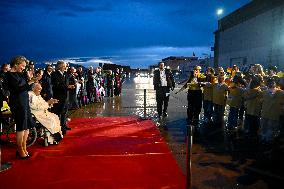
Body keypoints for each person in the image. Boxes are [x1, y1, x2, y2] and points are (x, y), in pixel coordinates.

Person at [3, 55, 37, 159]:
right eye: (22, 66)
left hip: (25, 102)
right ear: (16, 64)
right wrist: (29, 82)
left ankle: (24, 147)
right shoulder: (9, 75)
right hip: (17, 103)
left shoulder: (21, 74)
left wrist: (30, 79)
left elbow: (26, 88)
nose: (23, 68)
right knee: (21, 127)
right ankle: (20, 150)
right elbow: (18, 89)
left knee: (26, 126)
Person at [51, 61, 74, 133]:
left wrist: (71, 86)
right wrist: (67, 86)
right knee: (57, 113)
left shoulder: (65, 74)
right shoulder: (54, 74)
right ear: (60, 66)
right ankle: (57, 127)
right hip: (58, 96)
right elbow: (56, 85)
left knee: (64, 112)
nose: (66, 67)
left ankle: (63, 125)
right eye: (64, 66)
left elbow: (67, 82)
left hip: (66, 96)